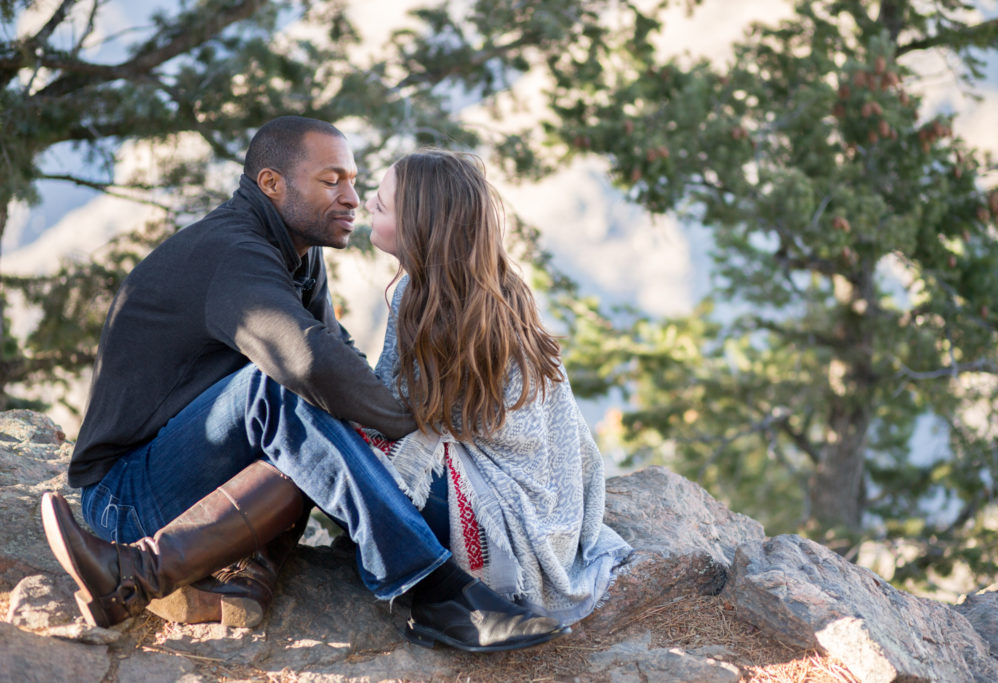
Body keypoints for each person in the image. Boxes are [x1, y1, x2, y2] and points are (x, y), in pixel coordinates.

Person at [40, 116, 567, 652]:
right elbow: (309, 365)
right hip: (126, 496)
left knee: (317, 425)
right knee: (277, 390)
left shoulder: (299, 251)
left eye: (356, 181)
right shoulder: (233, 254)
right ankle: (439, 594)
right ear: (273, 184)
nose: (353, 198)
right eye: (331, 180)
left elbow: (337, 357)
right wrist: (408, 428)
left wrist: (390, 438)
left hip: (207, 481)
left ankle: (236, 576)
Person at [361, 149, 632, 641]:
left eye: (381, 204)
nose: (366, 205)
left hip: (504, 515)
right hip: (541, 506)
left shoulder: (436, 307)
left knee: (346, 449)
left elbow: (401, 417)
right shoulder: (491, 287)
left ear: (419, 225)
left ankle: (433, 579)